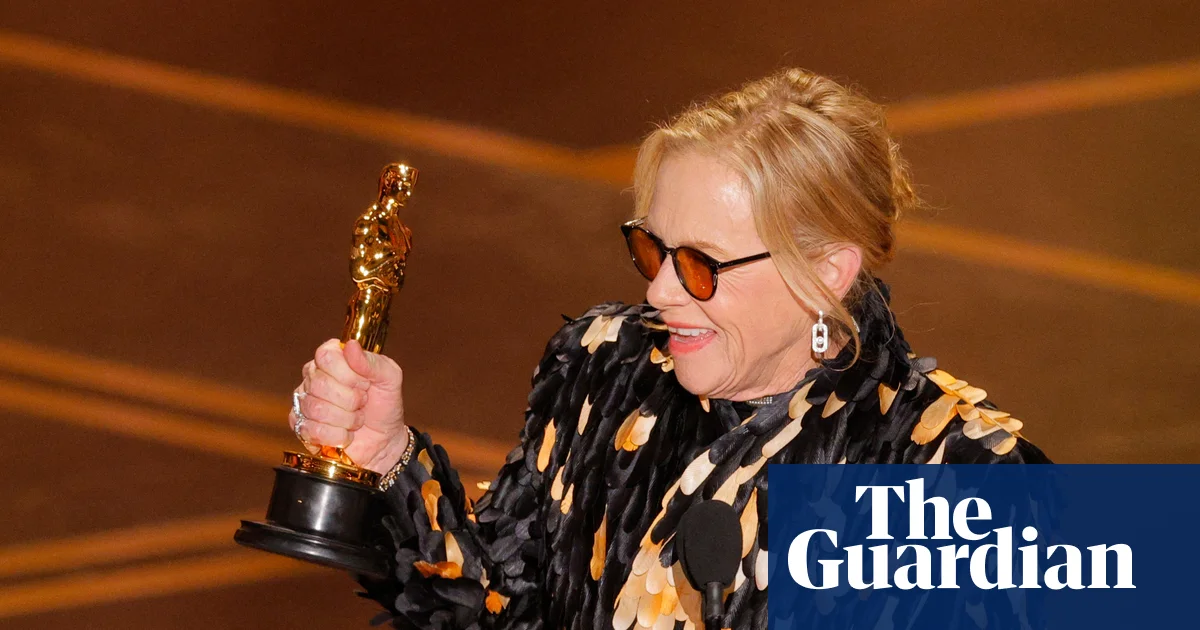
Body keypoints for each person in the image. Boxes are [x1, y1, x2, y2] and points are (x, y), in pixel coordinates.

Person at [288, 68, 1050, 630]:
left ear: (824, 272)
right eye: (652, 249)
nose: (659, 292)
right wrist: (388, 458)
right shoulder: (603, 368)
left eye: (700, 264)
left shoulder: (954, 472)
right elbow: (500, 608)